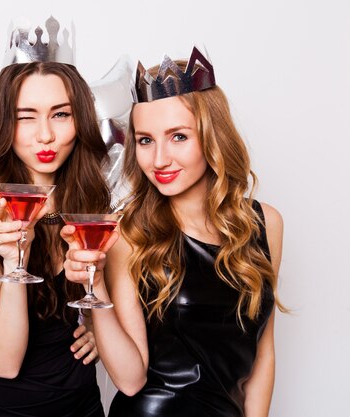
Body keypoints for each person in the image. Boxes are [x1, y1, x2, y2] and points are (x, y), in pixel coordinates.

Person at [62, 48, 286, 417]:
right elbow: (130, 379)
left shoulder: (265, 224)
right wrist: (96, 286)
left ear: (213, 137)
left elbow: (263, 352)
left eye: (178, 137)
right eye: (146, 140)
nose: (159, 159)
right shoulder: (129, 234)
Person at [0, 18, 110, 417]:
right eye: (26, 116)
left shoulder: (93, 205)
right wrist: (14, 257)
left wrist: (98, 329)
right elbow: (4, 363)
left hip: (82, 407)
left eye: (61, 114)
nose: (45, 135)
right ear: (4, 123)